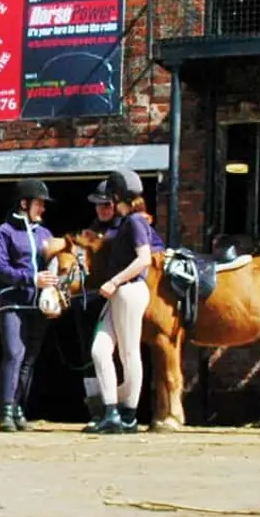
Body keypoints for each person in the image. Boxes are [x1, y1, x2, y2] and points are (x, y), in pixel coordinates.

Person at [0, 178, 67, 433]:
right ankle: (5, 411)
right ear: (24, 203)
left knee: (29, 360)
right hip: (13, 302)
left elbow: (54, 267)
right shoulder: (4, 233)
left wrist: (54, 291)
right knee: (14, 354)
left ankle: (19, 408)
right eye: (39, 203)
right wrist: (31, 279)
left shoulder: (45, 235)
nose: (43, 208)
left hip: (38, 305)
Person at [85, 168, 158, 434]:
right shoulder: (127, 222)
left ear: (117, 197)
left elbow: (144, 259)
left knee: (129, 353)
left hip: (128, 290)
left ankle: (128, 414)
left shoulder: (135, 221)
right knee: (100, 350)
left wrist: (114, 281)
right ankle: (111, 411)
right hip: (118, 293)